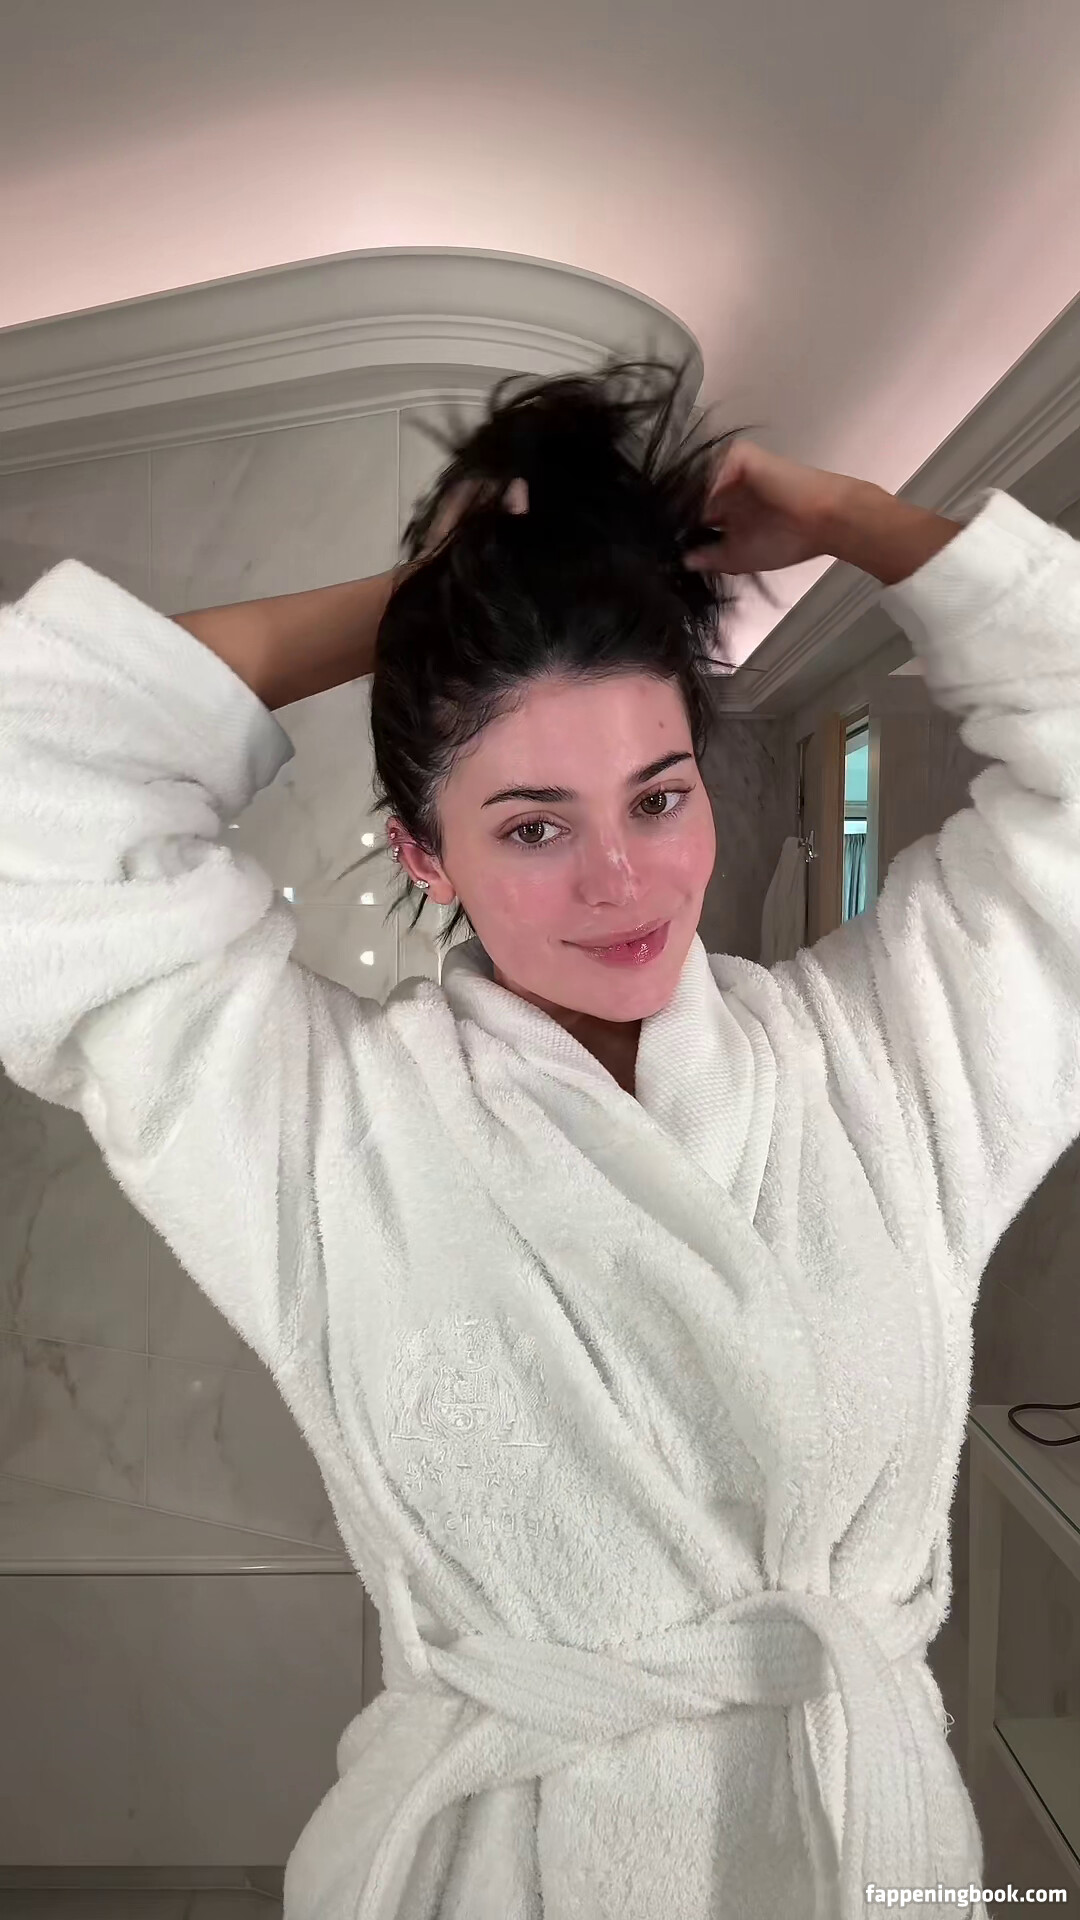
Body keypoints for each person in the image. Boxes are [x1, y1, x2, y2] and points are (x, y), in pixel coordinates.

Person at [2, 354, 1078, 1920]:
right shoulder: (323, 1124)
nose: (621, 881)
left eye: (658, 798)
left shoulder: (885, 1068)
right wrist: (429, 607)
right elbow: (28, 778)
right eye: (531, 826)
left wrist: (860, 519)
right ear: (423, 855)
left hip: (857, 1853)